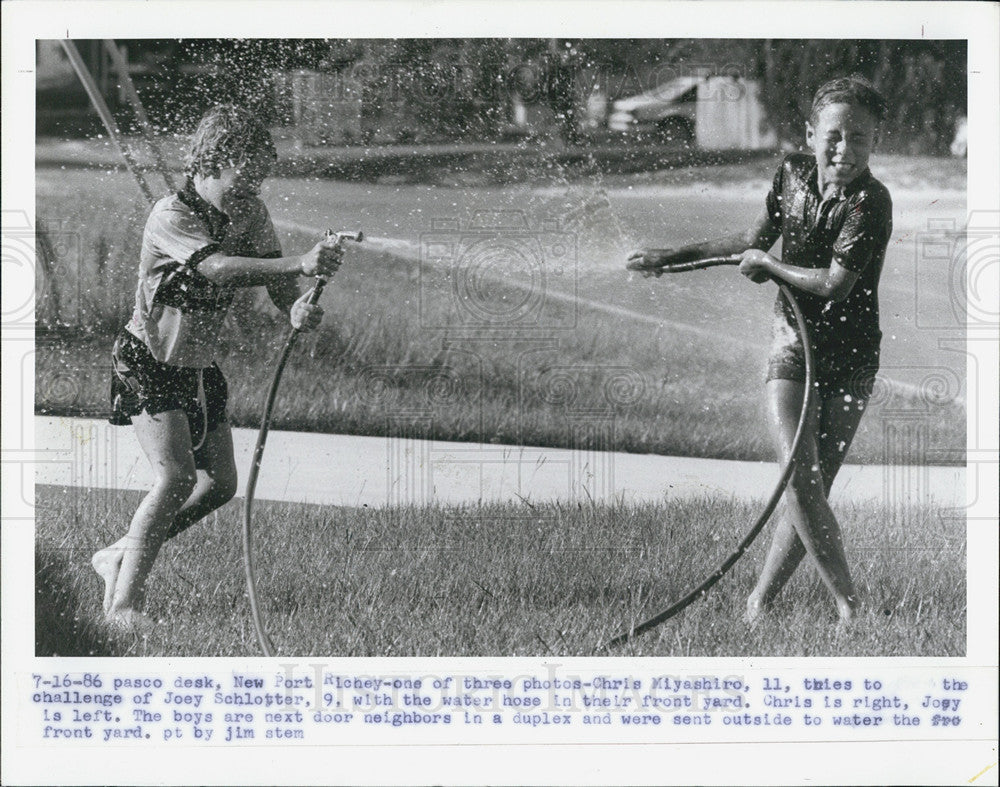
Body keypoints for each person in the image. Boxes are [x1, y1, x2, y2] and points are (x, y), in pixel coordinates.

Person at [628, 75, 892, 622]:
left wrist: (769, 265)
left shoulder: (872, 201)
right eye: (834, 135)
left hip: (852, 356)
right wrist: (671, 256)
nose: (845, 149)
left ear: (875, 141)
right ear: (810, 133)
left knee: (812, 489)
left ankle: (758, 604)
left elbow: (834, 284)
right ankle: (850, 608)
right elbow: (750, 242)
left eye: (860, 138)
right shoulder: (792, 174)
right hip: (792, 344)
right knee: (800, 476)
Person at [94, 104, 344, 631]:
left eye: (259, 179)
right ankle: (123, 609)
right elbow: (218, 268)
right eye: (243, 178)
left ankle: (120, 552)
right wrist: (299, 261)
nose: (251, 190)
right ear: (211, 162)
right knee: (176, 478)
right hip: (149, 362)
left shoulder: (250, 212)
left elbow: (279, 289)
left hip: (197, 367)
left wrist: (296, 305)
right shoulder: (172, 214)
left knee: (221, 483)